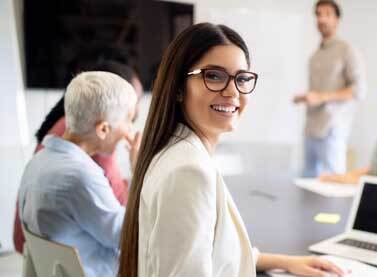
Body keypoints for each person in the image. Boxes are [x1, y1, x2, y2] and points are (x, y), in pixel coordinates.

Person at [118, 23, 345, 277]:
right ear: (179, 88)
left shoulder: (177, 152)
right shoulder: (189, 172)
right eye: (214, 76)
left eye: (242, 78)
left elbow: (212, 249)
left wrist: (284, 261)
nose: (232, 91)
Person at [12, 61, 143, 254]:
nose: (130, 129)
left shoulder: (38, 161)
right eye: (128, 119)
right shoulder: (82, 176)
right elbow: (129, 236)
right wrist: (139, 171)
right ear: (103, 129)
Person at [293, 0, 366, 178]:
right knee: (308, 183)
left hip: (331, 129)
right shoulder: (315, 56)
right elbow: (318, 93)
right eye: (318, 14)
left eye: (327, 14)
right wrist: (306, 97)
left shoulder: (347, 50)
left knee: (333, 185)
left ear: (337, 19)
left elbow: (359, 90)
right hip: (311, 128)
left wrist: (322, 97)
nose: (322, 19)